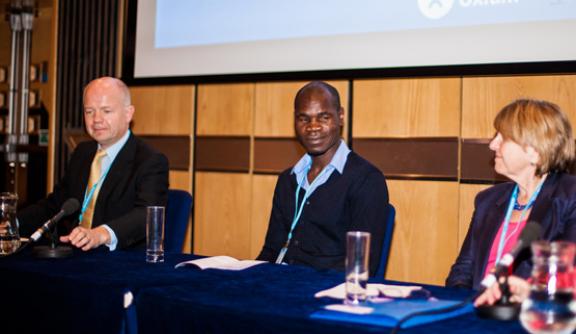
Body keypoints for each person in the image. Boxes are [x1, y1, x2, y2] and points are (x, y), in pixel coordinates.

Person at [18, 76, 169, 251]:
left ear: (128, 113)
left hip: (117, 261)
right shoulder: (83, 152)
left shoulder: (150, 160)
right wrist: (13, 223)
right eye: (89, 111)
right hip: (72, 254)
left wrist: (100, 234)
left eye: (106, 111)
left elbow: (146, 215)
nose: (96, 119)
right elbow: (56, 205)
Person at [256, 81, 389, 275]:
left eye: (323, 117)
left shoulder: (367, 180)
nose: (313, 127)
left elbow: (361, 267)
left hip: (326, 293)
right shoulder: (287, 179)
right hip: (280, 284)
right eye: (304, 119)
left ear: (340, 116)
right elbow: (271, 250)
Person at [446, 98, 576, 290]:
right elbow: (463, 270)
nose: (492, 145)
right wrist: (465, 307)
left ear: (534, 151)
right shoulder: (488, 201)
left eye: (503, 137)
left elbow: (567, 278)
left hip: (534, 313)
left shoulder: (570, 197)